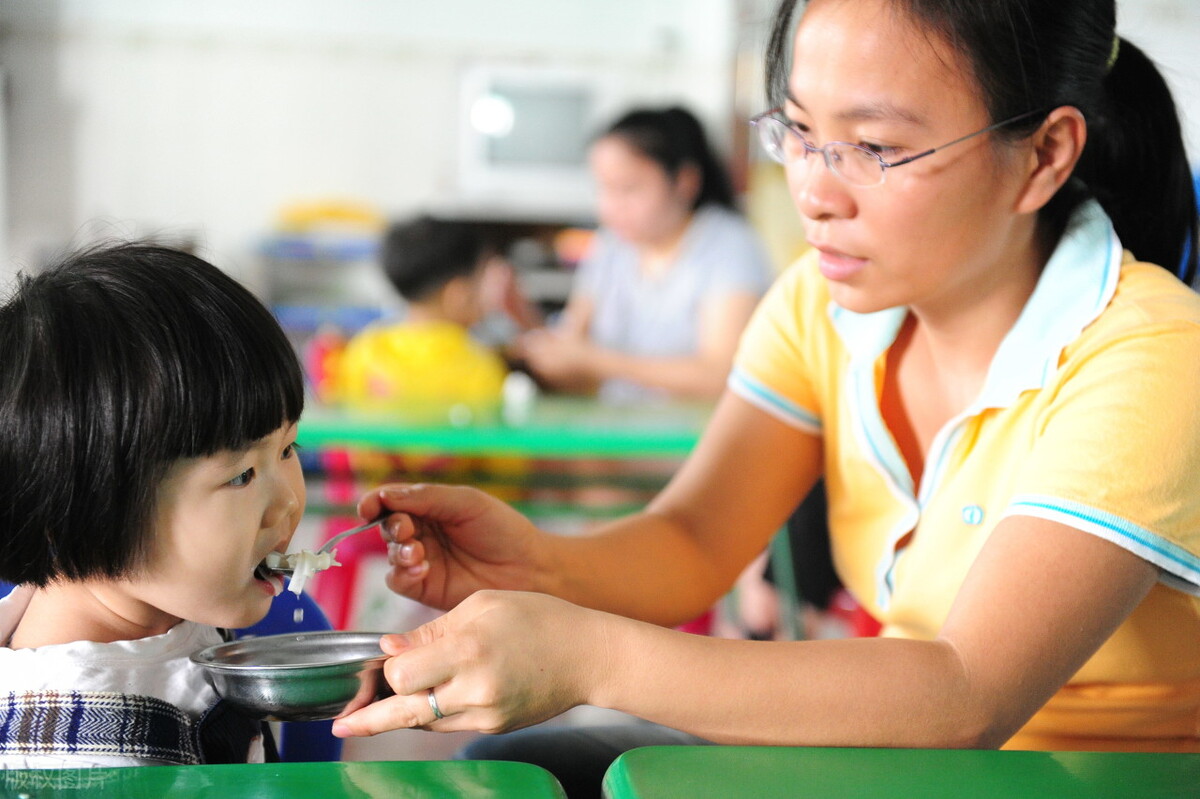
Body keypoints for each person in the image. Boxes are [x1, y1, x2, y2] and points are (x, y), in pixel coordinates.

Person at [331, 0, 1200, 794]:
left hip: (1098, 776)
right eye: (799, 131)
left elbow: (967, 693)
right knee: (515, 768)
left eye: (876, 147)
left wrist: (586, 653)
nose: (815, 193)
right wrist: (541, 564)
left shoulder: (1154, 350)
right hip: (911, 760)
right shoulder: (821, 304)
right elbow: (696, 537)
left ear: (1044, 155)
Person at [0, 243, 308, 768]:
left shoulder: (166, 606)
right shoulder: (83, 755)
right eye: (240, 475)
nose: (288, 501)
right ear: (81, 509)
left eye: (288, 448)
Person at [515, 106, 774, 402]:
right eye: (604, 188)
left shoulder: (729, 246)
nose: (610, 207)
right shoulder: (610, 248)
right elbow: (574, 366)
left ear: (685, 182)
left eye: (628, 189)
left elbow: (720, 376)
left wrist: (596, 360)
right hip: (614, 444)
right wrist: (526, 323)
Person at [324, 215, 509, 417]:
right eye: (483, 276)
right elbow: (495, 444)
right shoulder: (478, 364)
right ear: (459, 295)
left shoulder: (363, 350)